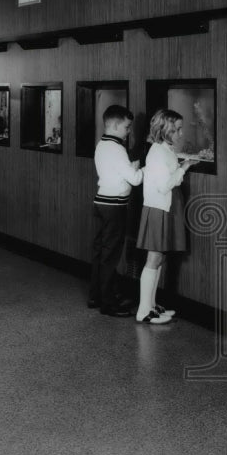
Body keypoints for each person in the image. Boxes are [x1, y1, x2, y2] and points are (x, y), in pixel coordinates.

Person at [135, 109, 194, 324]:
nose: (180, 133)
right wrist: (184, 168)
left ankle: (151, 306)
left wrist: (179, 166)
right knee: (154, 258)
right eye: (176, 130)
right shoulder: (158, 152)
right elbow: (164, 185)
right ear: (164, 130)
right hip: (159, 208)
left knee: (159, 257)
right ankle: (143, 310)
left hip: (164, 207)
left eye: (180, 128)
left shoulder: (164, 150)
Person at [90, 104, 143, 317]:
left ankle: (96, 296)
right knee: (111, 255)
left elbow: (116, 171)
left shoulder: (102, 144)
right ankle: (108, 303)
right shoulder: (118, 148)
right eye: (127, 127)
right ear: (115, 125)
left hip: (101, 202)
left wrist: (129, 166)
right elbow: (135, 179)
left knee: (100, 251)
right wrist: (140, 167)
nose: (129, 131)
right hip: (114, 206)